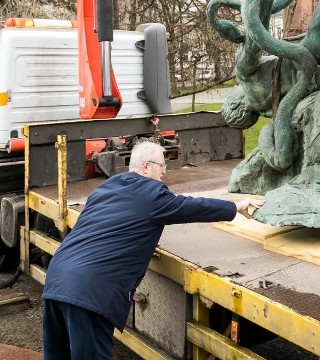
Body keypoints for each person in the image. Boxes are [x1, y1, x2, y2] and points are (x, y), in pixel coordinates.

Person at [41, 140, 264, 360]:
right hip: (90, 291)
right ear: (146, 167)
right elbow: (189, 207)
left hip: (57, 278)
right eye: (162, 166)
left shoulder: (105, 188)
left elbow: (110, 225)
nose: (165, 172)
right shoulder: (152, 193)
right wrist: (235, 206)